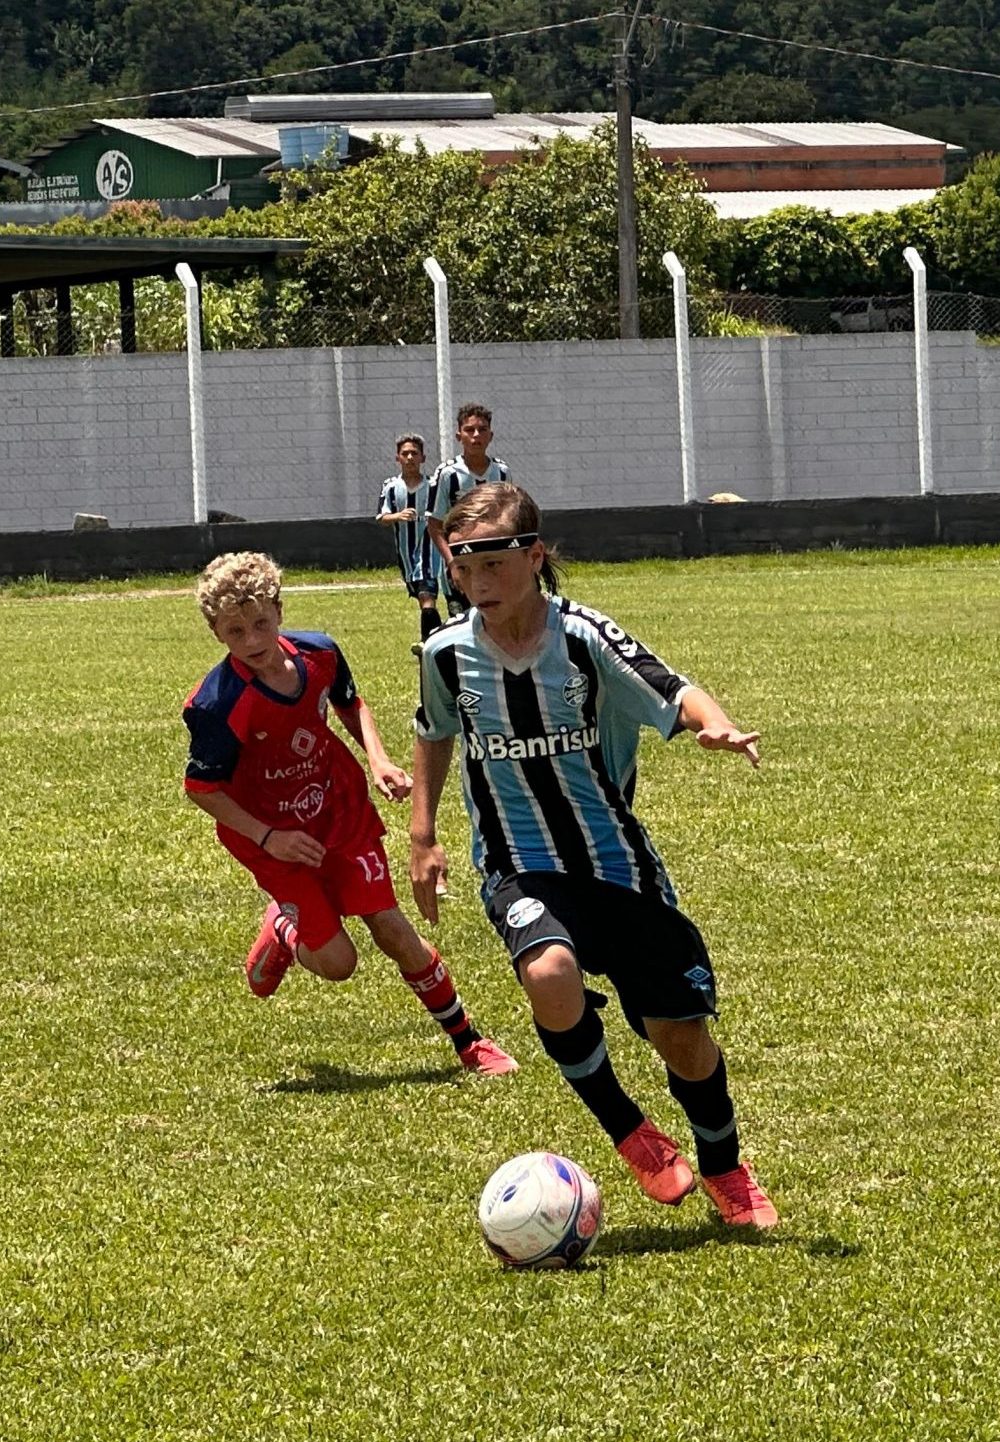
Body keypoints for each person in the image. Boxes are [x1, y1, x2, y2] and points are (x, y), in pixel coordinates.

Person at [406, 483, 779, 1230]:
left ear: (535, 556)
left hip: (617, 865)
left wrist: (716, 726)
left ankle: (723, 1164)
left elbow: (673, 689)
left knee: (683, 1039)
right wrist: (422, 835)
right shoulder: (446, 655)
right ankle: (629, 1130)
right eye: (462, 565)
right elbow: (434, 730)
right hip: (519, 861)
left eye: (493, 562)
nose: (477, 582)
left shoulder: (584, 640)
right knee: (548, 969)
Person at [181, 550, 519, 1077]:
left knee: (391, 926)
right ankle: (285, 931)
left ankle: (469, 1043)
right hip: (274, 838)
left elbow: (350, 703)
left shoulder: (319, 653)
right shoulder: (217, 705)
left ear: (278, 609)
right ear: (217, 634)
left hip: (339, 811)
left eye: (261, 624)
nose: (252, 641)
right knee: (339, 965)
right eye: (235, 631)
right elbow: (202, 788)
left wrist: (378, 758)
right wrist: (269, 836)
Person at [420, 404, 513, 618]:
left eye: (482, 429)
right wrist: (452, 562)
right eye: (469, 430)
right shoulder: (447, 474)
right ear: (458, 435)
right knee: (463, 624)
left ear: (491, 435)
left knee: (495, 619)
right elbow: (434, 525)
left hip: (494, 560)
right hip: (461, 562)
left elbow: (509, 518)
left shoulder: (501, 472)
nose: (476, 435)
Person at [374, 432, 442, 653]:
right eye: (406, 453)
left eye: (415, 453)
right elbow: (382, 517)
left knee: (427, 595)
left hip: (431, 549)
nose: (410, 457)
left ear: (423, 458)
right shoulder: (391, 486)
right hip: (406, 553)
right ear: (398, 458)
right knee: (421, 596)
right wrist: (398, 516)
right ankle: (439, 636)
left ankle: (428, 642)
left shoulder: (433, 485)